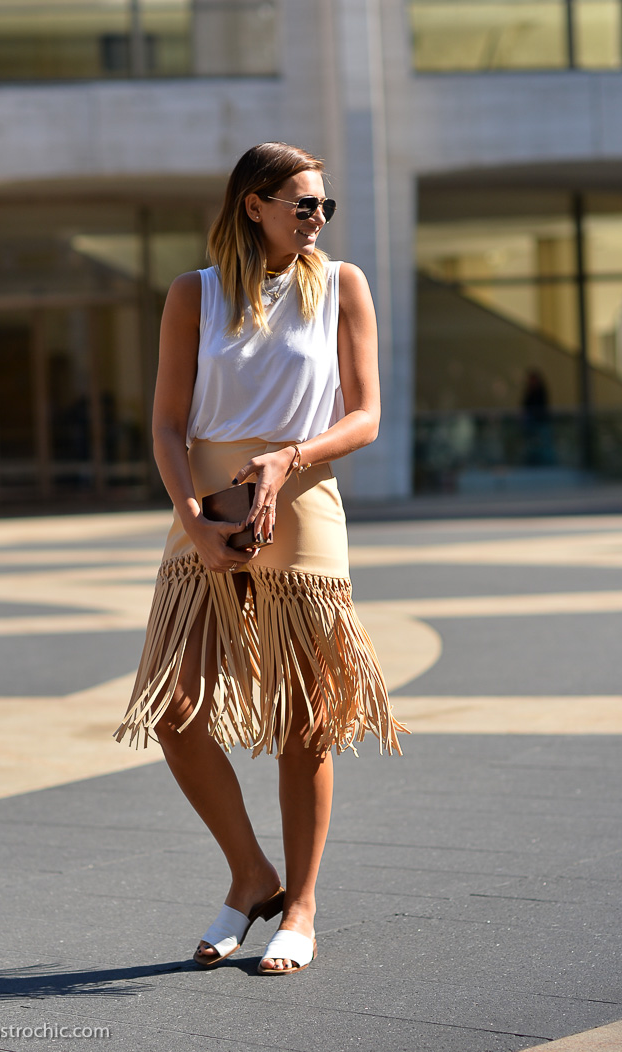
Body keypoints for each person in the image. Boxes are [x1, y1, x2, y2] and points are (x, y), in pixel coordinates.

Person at [114, 142, 406, 975]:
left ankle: (302, 905)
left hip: (304, 501)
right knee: (174, 711)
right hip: (206, 509)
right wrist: (191, 518)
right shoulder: (192, 295)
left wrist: (289, 458)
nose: (316, 219)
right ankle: (252, 874)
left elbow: (367, 415)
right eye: (302, 204)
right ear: (254, 205)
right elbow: (168, 425)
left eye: (324, 206)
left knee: (305, 717)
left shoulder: (343, 285)